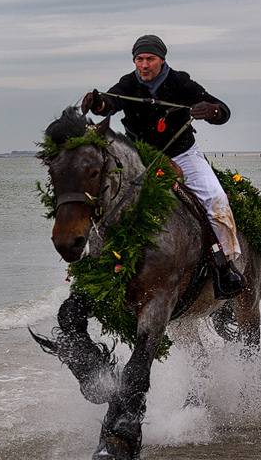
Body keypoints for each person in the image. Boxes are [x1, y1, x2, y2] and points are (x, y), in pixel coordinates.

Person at [81, 34, 244, 298]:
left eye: (150, 59)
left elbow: (223, 111)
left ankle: (225, 266)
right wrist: (97, 103)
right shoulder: (128, 83)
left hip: (182, 155)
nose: (144, 65)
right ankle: (95, 265)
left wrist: (210, 110)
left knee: (215, 200)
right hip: (140, 157)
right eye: (139, 59)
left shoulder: (181, 82)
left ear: (162, 60)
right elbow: (109, 102)